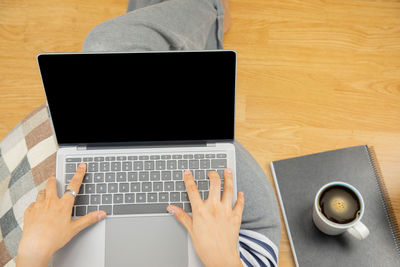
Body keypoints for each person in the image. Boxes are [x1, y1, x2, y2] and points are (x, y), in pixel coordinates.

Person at [16, 0, 281, 266]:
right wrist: (222, 257)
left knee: (120, 52)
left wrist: (33, 254)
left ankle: (179, 17)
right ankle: (209, 10)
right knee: (111, 46)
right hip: (239, 244)